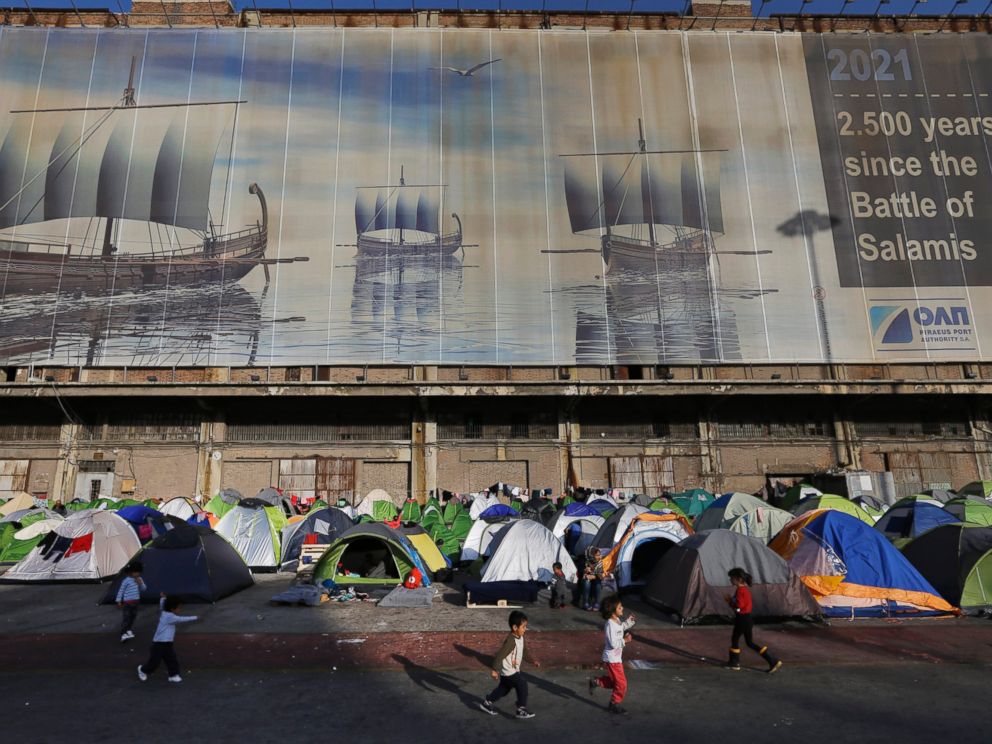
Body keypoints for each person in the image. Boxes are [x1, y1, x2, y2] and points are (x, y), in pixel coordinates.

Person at [479, 610, 539, 720]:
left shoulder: (520, 638)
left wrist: (532, 661)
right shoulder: (511, 641)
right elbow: (500, 655)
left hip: (511, 671)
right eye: (523, 627)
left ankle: (487, 703)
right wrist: (494, 670)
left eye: (526, 626)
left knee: (503, 689)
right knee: (522, 683)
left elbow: (524, 652)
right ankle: (521, 709)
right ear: (515, 628)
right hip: (509, 671)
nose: (525, 629)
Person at [725, 567, 782, 674]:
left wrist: (730, 602)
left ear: (738, 579)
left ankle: (734, 662)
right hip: (747, 619)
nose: (730, 580)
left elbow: (739, 605)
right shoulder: (744, 589)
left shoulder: (741, 590)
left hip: (742, 619)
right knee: (749, 642)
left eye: (731, 578)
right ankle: (772, 660)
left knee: (735, 639)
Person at [589, 594, 635, 715]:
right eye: (620, 608)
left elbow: (622, 627)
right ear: (613, 611)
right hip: (612, 659)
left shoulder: (617, 621)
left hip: (616, 658)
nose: (622, 609)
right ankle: (614, 704)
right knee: (622, 684)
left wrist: (629, 622)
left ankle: (596, 682)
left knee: (616, 683)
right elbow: (613, 643)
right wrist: (625, 640)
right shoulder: (609, 624)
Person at [137, 594, 199, 683]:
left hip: (167, 643)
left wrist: (163, 598)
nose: (180, 610)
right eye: (179, 608)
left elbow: (162, 604)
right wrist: (195, 617)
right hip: (158, 644)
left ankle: (173, 675)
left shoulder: (164, 611)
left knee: (171, 659)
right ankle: (142, 670)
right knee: (154, 662)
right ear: (172, 609)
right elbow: (182, 619)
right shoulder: (170, 617)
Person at [116, 562, 146, 643]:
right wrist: (119, 601)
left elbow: (144, 589)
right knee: (126, 618)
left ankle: (128, 630)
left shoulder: (140, 579)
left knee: (133, 617)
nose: (137, 574)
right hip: (127, 603)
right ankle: (123, 634)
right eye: (135, 572)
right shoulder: (126, 581)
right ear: (131, 572)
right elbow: (121, 591)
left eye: (139, 572)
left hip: (136, 602)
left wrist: (140, 583)